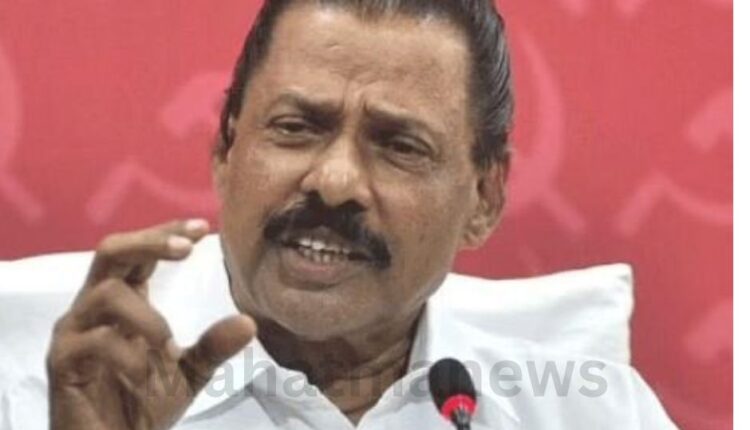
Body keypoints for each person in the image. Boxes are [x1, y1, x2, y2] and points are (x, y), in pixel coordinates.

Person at [1, 0, 677, 429]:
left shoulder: (588, 410)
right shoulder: (28, 373)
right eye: (296, 127)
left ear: (485, 198)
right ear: (226, 149)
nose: (334, 182)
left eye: (400, 145)